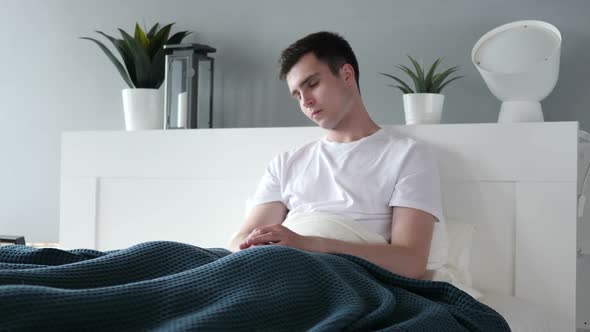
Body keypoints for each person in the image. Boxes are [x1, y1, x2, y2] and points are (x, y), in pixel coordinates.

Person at [228, 31, 444, 280]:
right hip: (274, 270)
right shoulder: (287, 162)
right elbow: (240, 239)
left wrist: (312, 245)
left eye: (312, 84)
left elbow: (410, 262)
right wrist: (254, 249)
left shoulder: (408, 155)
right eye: (297, 95)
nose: (306, 101)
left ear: (346, 75)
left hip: (341, 280)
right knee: (173, 256)